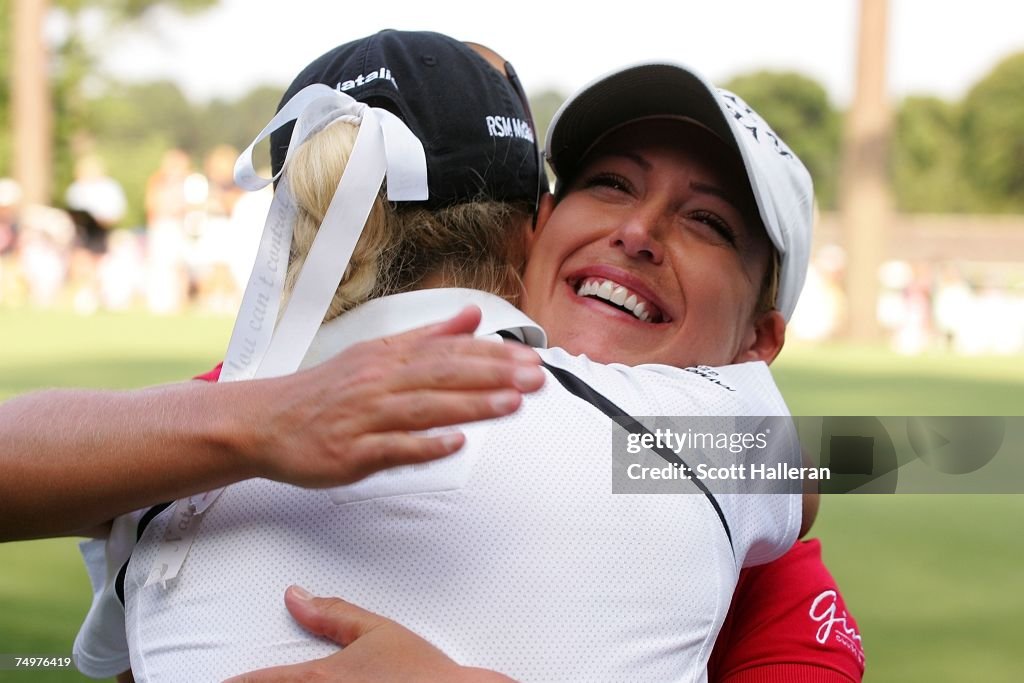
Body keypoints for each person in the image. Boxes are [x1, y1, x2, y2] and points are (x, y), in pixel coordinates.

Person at [114, 33, 805, 682]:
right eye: (611, 184)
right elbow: (862, 459)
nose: (636, 231)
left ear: (759, 345)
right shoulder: (226, 425)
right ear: (533, 226)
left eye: (708, 222)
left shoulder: (187, 448)